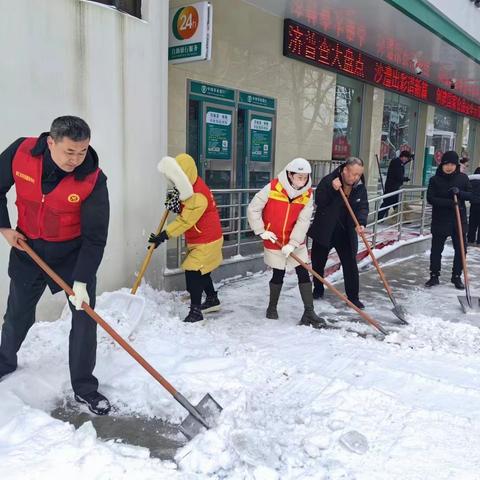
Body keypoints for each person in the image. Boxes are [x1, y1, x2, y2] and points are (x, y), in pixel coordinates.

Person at [0, 116, 111, 415]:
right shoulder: (20, 153)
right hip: (27, 250)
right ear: (50, 142)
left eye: (82, 151)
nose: (76, 159)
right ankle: (4, 361)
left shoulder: (92, 179)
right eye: (69, 152)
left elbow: (95, 238)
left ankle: (85, 388)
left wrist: (82, 281)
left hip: (73, 256)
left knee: (84, 317)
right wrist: (4, 228)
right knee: (18, 314)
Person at [247, 158, 325, 327]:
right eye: (299, 177)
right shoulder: (273, 188)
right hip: (274, 239)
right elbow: (253, 208)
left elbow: (303, 221)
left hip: (295, 241)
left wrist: (293, 243)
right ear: (290, 174)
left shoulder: (307, 194)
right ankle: (272, 307)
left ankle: (309, 311)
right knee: (278, 273)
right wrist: (261, 231)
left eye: (305, 177)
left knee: (303, 272)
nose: (302, 181)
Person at [149, 154, 223, 323]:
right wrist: (174, 201)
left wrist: (163, 235)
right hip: (200, 238)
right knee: (202, 273)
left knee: (193, 271)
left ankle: (196, 312)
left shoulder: (197, 196)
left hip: (207, 240)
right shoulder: (189, 185)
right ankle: (212, 299)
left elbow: (185, 221)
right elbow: (183, 207)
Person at [308, 157, 369, 309]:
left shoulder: (360, 185)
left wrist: (361, 223)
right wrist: (332, 189)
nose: (356, 178)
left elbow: (363, 206)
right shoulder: (329, 181)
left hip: (346, 231)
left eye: (359, 174)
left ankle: (353, 297)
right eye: (353, 174)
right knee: (318, 262)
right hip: (326, 229)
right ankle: (318, 288)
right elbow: (320, 201)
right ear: (345, 170)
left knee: (350, 264)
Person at [425, 151, 471, 289]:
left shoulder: (463, 179)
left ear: (456, 165)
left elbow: (471, 195)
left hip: (458, 220)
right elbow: (430, 198)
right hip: (440, 219)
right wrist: (450, 203)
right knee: (436, 250)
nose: (449, 167)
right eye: (446, 164)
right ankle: (434, 275)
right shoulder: (435, 180)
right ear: (442, 165)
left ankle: (456, 276)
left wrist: (460, 193)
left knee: (461, 250)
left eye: (452, 164)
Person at [378, 150, 412, 220]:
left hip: (394, 188)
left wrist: (410, 159)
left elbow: (403, 165)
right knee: (388, 203)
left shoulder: (398, 162)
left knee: (396, 204)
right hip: (392, 188)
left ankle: (401, 218)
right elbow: (398, 176)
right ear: (403, 157)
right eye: (406, 158)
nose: (406, 161)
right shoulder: (397, 163)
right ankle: (379, 218)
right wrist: (405, 179)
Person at [467, 167, 480, 246]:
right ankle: (479, 241)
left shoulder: (471, 180)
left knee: (472, 222)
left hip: (474, 204)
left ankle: (470, 239)